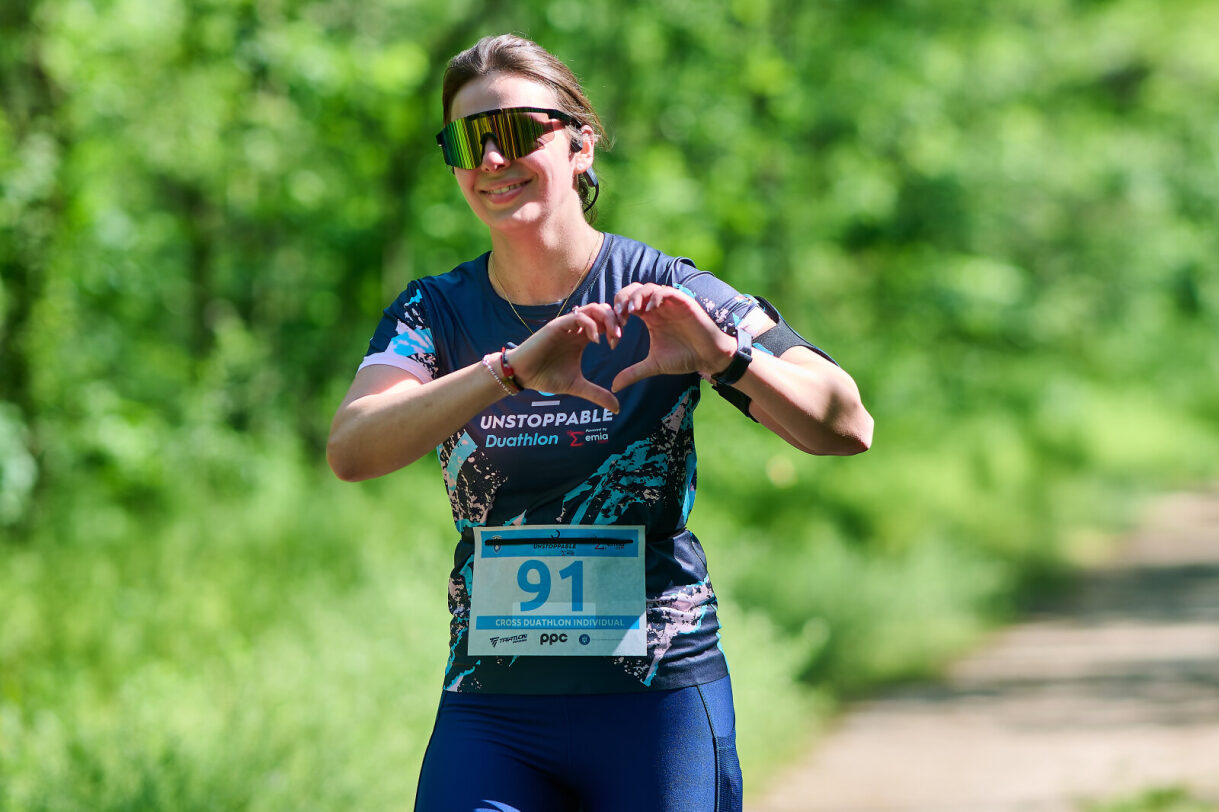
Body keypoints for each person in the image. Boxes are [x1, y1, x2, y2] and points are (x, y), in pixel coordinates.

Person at [327, 33, 873, 812]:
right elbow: (352, 448)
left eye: (516, 132)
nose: (492, 159)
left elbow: (846, 421)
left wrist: (723, 357)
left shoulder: (663, 288)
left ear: (580, 145)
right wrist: (507, 371)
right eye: (468, 141)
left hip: (655, 706)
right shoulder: (434, 311)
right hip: (494, 711)